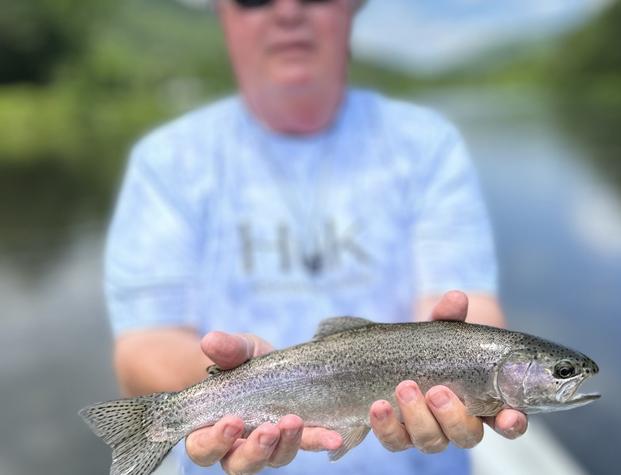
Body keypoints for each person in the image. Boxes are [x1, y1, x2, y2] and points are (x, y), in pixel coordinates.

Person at [104, 0, 528, 474]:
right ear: (217, 9)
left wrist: (453, 381)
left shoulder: (427, 144)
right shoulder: (166, 161)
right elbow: (141, 351)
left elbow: (473, 306)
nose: (288, 11)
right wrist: (240, 393)